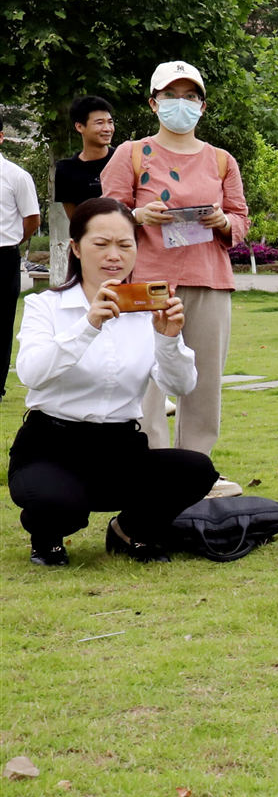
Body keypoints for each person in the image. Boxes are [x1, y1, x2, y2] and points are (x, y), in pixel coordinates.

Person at [10, 197, 218, 566]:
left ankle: (129, 532)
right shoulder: (46, 306)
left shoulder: (145, 312)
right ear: (75, 247)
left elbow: (181, 385)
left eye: (125, 245)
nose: (114, 255)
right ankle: (47, 538)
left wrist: (169, 339)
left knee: (196, 470)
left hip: (120, 446)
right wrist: (88, 325)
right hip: (51, 444)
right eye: (100, 244)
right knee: (58, 503)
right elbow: (31, 373)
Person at [98, 60, 246, 487]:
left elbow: (240, 217)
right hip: (147, 281)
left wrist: (223, 222)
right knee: (145, 377)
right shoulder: (132, 153)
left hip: (208, 278)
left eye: (190, 96)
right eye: (170, 96)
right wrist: (138, 214)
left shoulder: (221, 160)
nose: (180, 104)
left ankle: (196, 471)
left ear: (202, 106)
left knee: (203, 379)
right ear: (153, 102)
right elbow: (104, 217)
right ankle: (151, 468)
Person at [0, 124, 41, 401]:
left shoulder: (16, 175)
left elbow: (32, 219)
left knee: (1, 324)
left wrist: (14, 240)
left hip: (3, 254)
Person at [54, 97, 116, 221]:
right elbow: (75, 220)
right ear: (79, 127)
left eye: (110, 122)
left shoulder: (123, 159)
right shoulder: (66, 170)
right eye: (99, 123)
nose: (107, 128)